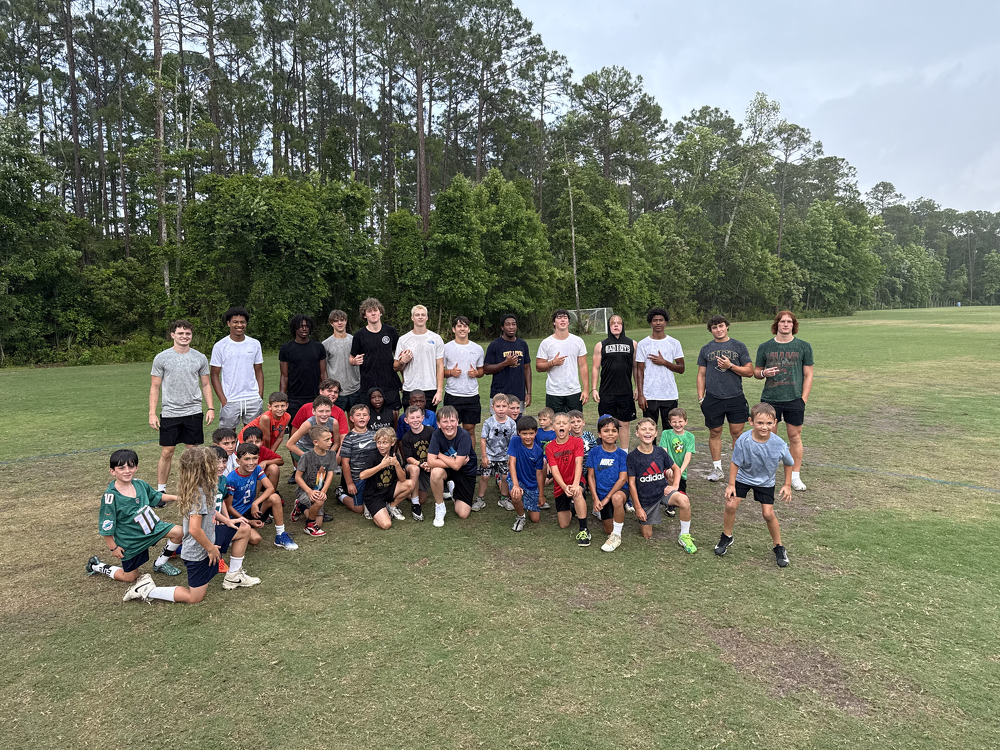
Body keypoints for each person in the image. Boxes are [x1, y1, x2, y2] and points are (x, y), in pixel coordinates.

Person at [116, 447, 261, 604]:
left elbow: (210, 510)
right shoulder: (198, 494)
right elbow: (194, 529)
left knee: (243, 529)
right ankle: (147, 589)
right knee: (194, 597)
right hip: (198, 550)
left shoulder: (206, 485)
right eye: (213, 463)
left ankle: (234, 576)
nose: (219, 466)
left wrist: (227, 521)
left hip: (210, 536)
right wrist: (211, 549)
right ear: (203, 469)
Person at [86, 449, 185, 586]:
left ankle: (160, 563)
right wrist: (113, 547)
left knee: (179, 532)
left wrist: (177, 498)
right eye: (121, 468)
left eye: (131, 466)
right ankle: (96, 565)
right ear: (112, 471)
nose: (127, 471)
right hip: (131, 540)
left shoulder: (140, 484)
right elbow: (106, 525)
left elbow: (156, 496)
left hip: (152, 528)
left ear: (136, 467)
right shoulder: (110, 497)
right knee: (130, 577)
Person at [715, 403, 793, 567]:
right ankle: (726, 536)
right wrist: (731, 485)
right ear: (751, 421)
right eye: (760, 423)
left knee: (768, 514)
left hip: (765, 481)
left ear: (775, 423)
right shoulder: (744, 440)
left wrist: (787, 484)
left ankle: (778, 546)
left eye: (769, 423)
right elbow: (735, 463)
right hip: (743, 477)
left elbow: (788, 462)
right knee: (730, 504)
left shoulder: (779, 444)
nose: (764, 427)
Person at [149, 319, 214, 491]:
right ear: (172, 335)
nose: (184, 336)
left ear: (191, 335)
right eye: (180, 333)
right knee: (167, 451)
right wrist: (152, 413)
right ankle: (161, 490)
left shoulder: (200, 357)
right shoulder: (162, 358)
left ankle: (191, 487)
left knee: (192, 453)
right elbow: (155, 387)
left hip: (193, 411)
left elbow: (206, 384)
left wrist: (211, 408)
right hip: (170, 412)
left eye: (188, 333)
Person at [753, 310, 814, 491]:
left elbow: (808, 374)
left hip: (794, 399)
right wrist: (764, 373)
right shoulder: (765, 347)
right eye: (782, 321)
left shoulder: (804, 346)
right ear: (776, 324)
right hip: (770, 399)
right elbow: (756, 372)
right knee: (768, 436)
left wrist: (803, 399)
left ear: (793, 325)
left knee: (794, 437)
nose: (785, 324)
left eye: (789, 322)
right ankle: (767, 474)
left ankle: (795, 476)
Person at [697, 315, 754, 482]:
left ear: (726, 326)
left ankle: (738, 469)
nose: (718, 330)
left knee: (737, 433)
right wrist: (701, 398)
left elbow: (749, 372)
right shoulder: (706, 349)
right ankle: (717, 469)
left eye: (721, 326)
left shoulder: (739, 346)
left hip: (735, 396)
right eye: (714, 327)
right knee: (715, 432)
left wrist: (730, 366)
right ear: (711, 330)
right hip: (713, 398)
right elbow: (701, 375)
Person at [627, 418, 696, 552]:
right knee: (647, 535)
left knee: (684, 500)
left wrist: (675, 486)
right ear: (637, 433)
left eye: (651, 429)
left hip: (663, 492)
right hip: (646, 499)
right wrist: (638, 507)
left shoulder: (660, 452)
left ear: (656, 433)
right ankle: (648, 514)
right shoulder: (632, 456)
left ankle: (684, 535)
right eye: (643, 429)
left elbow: (676, 469)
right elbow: (631, 484)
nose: (647, 432)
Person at [226, 443, 297, 550]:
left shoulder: (257, 469)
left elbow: (270, 488)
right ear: (238, 461)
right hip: (237, 516)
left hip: (251, 509)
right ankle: (234, 535)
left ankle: (280, 535)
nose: (251, 462)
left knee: (275, 497)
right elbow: (229, 507)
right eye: (247, 459)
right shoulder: (231, 479)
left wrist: (256, 503)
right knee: (255, 539)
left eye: (254, 458)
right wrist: (247, 521)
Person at [210, 306, 264, 430]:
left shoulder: (255, 344)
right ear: (228, 323)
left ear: (246, 323)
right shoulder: (220, 346)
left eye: (242, 322)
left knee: (253, 435)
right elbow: (214, 375)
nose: (239, 325)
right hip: (230, 399)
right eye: (235, 322)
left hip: (252, 398)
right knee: (228, 436)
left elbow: (259, 371)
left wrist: (259, 395)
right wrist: (224, 400)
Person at [635, 307, 684, 438]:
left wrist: (665, 362)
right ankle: (651, 452)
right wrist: (641, 395)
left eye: (661, 320)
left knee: (670, 431)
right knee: (649, 430)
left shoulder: (674, 343)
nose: (658, 323)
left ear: (665, 322)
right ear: (650, 323)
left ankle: (668, 452)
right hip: (649, 394)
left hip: (669, 394)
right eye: (655, 320)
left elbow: (681, 368)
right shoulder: (643, 344)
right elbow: (639, 370)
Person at [350, 298, 402, 421]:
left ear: (381, 312)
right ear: (364, 315)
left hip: (390, 383)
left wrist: (404, 380)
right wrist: (354, 361)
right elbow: (351, 358)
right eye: (369, 311)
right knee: (369, 419)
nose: (373, 313)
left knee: (393, 416)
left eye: (375, 310)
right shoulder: (359, 335)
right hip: (369, 384)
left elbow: (399, 356)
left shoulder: (391, 331)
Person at [427, 405, 479, 527]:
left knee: (463, 513)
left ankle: (453, 489)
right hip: (448, 469)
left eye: (452, 421)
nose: (449, 425)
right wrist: (454, 462)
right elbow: (431, 462)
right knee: (435, 472)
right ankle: (440, 507)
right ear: (438, 424)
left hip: (465, 472)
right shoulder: (436, 435)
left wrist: (439, 454)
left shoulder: (464, 436)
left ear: (458, 421)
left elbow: (457, 466)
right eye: (445, 421)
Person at [591, 314, 636, 449]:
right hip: (607, 392)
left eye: (618, 323)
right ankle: (609, 452)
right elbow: (595, 368)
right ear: (609, 326)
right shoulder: (601, 345)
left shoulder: (632, 344)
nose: (616, 325)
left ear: (622, 326)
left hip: (625, 391)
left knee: (625, 424)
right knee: (607, 424)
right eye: (613, 323)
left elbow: (636, 367)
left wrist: (638, 388)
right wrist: (594, 388)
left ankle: (624, 453)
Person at [545, 413, 589, 546]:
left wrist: (575, 484)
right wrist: (564, 487)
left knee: (577, 492)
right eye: (558, 423)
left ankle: (584, 530)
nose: (561, 425)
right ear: (553, 427)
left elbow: (578, 463)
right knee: (564, 524)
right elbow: (554, 470)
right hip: (561, 485)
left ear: (569, 427)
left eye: (564, 423)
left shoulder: (577, 442)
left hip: (576, 480)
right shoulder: (550, 447)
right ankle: (572, 507)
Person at [586, 416, 629, 552]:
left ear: (618, 433)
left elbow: (622, 479)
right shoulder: (594, 452)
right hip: (601, 494)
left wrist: (606, 499)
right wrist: (595, 498)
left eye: (614, 430)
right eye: (606, 431)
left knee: (617, 498)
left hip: (618, 492)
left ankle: (616, 536)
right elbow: (591, 476)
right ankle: (615, 515)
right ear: (599, 434)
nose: (610, 434)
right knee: (607, 530)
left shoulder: (622, 454)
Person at [442, 316, 485, 450]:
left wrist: (476, 373)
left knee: (469, 430)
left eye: (465, 326)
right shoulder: (446, 348)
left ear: (469, 329)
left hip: (471, 395)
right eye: (459, 326)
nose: (462, 329)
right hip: (453, 394)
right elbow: (439, 372)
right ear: (454, 329)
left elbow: (481, 371)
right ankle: (452, 456)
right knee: (450, 430)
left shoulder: (477, 348)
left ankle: (469, 457)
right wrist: (451, 372)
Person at [359, 427, 414, 528]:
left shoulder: (395, 456)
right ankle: (371, 508)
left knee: (410, 484)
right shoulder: (373, 456)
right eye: (378, 442)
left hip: (388, 490)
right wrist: (381, 465)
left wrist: (397, 464)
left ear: (392, 443)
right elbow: (362, 476)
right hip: (373, 495)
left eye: (385, 443)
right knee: (386, 525)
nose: (381, 446)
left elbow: (403, 480)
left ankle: (391, 506)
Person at [535, 309, 589, 412]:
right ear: (554, 322)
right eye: (559, 318)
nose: (562, 320)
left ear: (568, 322)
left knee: (575, 421)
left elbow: (583, 366)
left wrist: (586, 390)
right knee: (555, 421)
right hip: (554, 392)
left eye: (565, 318)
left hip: (573, 391)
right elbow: (538, 367)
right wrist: (552, 363)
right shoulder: (546, 343)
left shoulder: (578, 341)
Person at [394, 304, 445, 410]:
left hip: (430, 388)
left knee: (429, 419)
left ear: (427, 317)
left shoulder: (436, 338)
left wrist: (439, 391)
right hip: (410, 388)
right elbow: (396, 367)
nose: (420, 317)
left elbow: (440, 366)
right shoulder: (403, 339)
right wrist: (403, 361)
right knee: (411, 419)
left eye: (423, 315)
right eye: (417, 315)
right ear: (412, 317)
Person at [279, 314, 327, 419]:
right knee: (295, 426)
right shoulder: (286, 348)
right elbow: (284, 375)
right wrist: (282, 398)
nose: (304, 328)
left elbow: (323, 373)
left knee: (316, 426)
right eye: (301, 326)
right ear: (295, 328)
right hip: (294, 397)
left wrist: (325, 393)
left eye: (307, 326)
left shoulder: (318, 347)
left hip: (314, 396)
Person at [292, 425, 337, 537]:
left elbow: (330, 473)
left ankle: (300, 507)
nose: (330, 442)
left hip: (319, 491)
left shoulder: (331, 454)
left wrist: (324, 491)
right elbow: (297, 477)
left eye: (331, 439)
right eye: (326, 440)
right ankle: (309, 526)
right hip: (304, 491)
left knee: (319, 522)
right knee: (319, 502)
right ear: (316, 442)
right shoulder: (306, 456)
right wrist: (309, 491)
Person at [477, 393, 516, 512]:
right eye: (498, 406)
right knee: (485, 476)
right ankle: (480, 499)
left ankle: (504, 498)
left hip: (504, 456)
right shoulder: (488, 422)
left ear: (508, 407)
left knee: (505, 477)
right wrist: (484, 456)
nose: (501, 409)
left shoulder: (511, 423)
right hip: (489, 455)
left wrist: (511, 457)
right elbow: (483, 439)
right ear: (493, 407)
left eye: (504, 406)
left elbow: (513, 442)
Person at [507, 416, 546, 531]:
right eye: (524, 434)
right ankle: (520, 516)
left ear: (536, 433)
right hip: (517, 480)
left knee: (535, 519)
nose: (528, 437)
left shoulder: (538, 451)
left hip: (531, 484)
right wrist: (515, 485)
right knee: (516, 495)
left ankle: (525, 503)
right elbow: (512, 464)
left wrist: (541, 494)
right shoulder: (515, 441)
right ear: (519, 433)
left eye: (531, 433)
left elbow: (539, 474)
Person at [483, 314, 532, 407]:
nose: (511, 327)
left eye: (514, 324)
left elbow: (527, 369)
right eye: (508, 324)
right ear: (502, 327)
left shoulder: (522, 344)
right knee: (499, 417)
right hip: (499, 394)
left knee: (517, 416)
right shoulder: (494, 345)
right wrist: (505, 363)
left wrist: (529, 393)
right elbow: (486, 369)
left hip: (518, 394)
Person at [398, 405, 435, 521]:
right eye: (412, 418)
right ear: (406, 420)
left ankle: (404, 491)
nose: (415, 420)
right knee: (415, 469)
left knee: (422, 499)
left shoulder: (431, 431)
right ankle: (415, 504)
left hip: (429, 464)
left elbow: (436, 450)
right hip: (414, 466)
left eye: (418, 417)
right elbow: (408, 458)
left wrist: (430, 464)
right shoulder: (406, 437)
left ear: (423, 418)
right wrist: (420, 464)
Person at [658, 407, 695, 518]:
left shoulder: (690, 437)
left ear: (686, 422)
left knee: (682, 496)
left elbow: (688, 456)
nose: (677, 424)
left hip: (682, 470)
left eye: (680, 421)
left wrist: (679, 471)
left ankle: (671, 499)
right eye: (674, 422)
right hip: (668, 468)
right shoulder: (666, 433)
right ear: (669, 423)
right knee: (671, 476)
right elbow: (664, 452)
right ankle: (670, 506)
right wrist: (670, 467)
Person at [339, 404, 375, 516]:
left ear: (369, 417)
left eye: (365, 415)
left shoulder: (375, 435)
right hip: (358, 478)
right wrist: (350, 483)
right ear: (351, 418)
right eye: (358, 415)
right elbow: (345, 463)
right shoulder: (348, 438)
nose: (362, 417)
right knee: (359, 509)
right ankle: (341, 494)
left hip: (374, 476)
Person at [323, 309, 363, 411]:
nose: (339, 323)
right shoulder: (326, 344)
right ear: (331, 323)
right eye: (336, 321)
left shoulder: (354, 340)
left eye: (342, 320)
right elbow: (323, 369)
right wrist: (328, 388)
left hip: (355, 388)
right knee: (336, 419)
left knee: (356, 418)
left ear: (346, 321)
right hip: (336, 390)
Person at [287, 395, 342, 464]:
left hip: (321, 449)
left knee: (325, 467)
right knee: (314, 467)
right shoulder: (308, 424)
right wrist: (308, 457)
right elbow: (289, 444)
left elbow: (336, 443)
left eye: (327, 411)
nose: (324, 414)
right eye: (321, 411)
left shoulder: (334, 423)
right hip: (304, 449)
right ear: (313, 411)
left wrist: (328, 455)